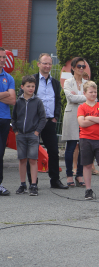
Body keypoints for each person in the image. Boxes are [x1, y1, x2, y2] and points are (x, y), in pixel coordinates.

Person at [22, 53, 68, 189]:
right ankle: (32, 182)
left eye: (49, 64)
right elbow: (24, 98)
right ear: (38, 64)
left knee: (53, 151)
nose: (47, 66)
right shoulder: (33, 81)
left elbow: (58, 101)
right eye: (44, 63)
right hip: (34, 123)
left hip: (49, 121)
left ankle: (55, 181)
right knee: (32, 152)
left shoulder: (55, 82)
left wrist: (56, 117)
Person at [11, 76, 46, 196]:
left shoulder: (38, 102)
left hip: (33, 134)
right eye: (28, 86)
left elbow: (42, 118)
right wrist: (16, 130)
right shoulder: (19, 101)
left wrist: (37, 132)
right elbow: (14, 117)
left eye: (33, 86)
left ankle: (34, 185)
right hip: (20, 134)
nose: (31, 88)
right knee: (22, 160)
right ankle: (22, 184)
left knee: (33, 159)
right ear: (22, 87)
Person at [62, 57, 87, 187]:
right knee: (70, 147)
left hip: (85, 116)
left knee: (83, 146)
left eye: (83, 66)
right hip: (71, 115)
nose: (81, 68)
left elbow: (93, 97)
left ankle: (80, 174)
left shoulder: (87, 83)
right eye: (79, 66)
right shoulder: (67, 82)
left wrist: (78, 98)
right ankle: (69, 175)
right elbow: (70, 98)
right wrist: (84, 97)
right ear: (73, 68)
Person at [0, 47, 16, 196]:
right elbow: (8, 95)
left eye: (4, 57)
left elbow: (12, 99)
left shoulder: (8, 78)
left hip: (4, 119)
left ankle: (0, 184)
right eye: (1, 57)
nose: (3, 60)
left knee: (0, 153)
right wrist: (5, 93)